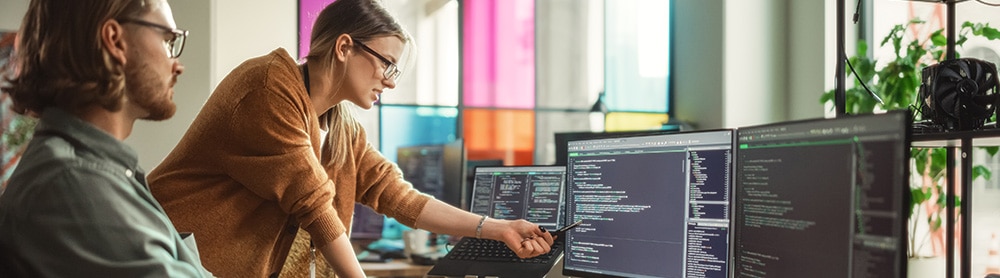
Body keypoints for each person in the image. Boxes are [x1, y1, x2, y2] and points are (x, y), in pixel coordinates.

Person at [147, 0, 555, 277]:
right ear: (345, 47)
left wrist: (498, 228)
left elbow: (397, 195)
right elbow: (313, 205)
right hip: (166, 261)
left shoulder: (340, 126)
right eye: (387, 66)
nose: (390, 83)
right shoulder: (269, 88)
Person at [0, 0, 211, 277]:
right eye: (167, 40)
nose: (177, 65)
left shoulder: (104, 172)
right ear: (115, 40)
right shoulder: (70, 184)